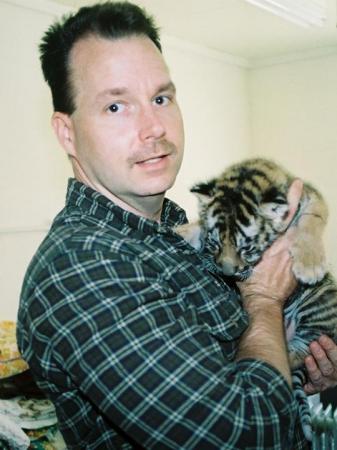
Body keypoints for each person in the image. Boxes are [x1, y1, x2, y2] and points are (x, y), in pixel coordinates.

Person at [17, 2, 337, 449]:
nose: (153, 127)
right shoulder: (83, 268)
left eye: (161, 98)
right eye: (115, 106)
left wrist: (301, 378)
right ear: (66, 132)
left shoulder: (173, 229)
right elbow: (244, 439)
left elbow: (248, 371)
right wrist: (264, 298)